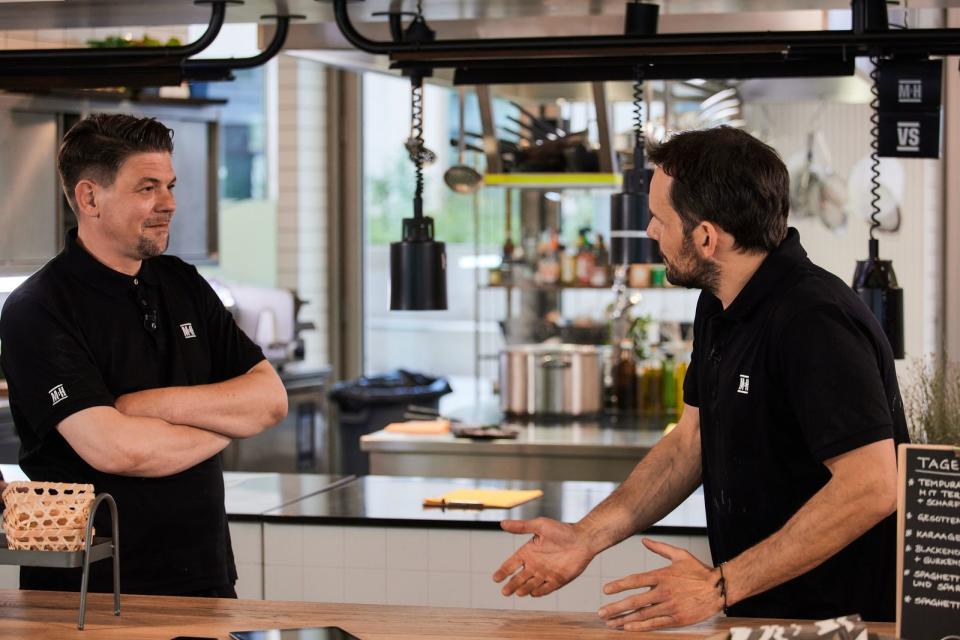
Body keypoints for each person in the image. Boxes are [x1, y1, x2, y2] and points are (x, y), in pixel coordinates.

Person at [492, 126, 907, 630]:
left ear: (707, 237)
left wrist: (721, 584)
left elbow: (873, 486)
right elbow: (689, 443)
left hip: (842, 625)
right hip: (758, 616)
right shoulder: (718, 305)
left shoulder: (812, 319)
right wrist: (586, 537)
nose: (649, 232)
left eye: (660, 219)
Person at [0, 113, 288, 597]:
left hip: (206, 578)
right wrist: (228, 422)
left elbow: (270, 401)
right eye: (148, 188)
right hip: (89, 595)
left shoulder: (182, 283)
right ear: (90, 197)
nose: (169, 204)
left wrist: (145, 407)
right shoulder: (38, 308)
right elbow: (118, 450)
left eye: (170, 185)